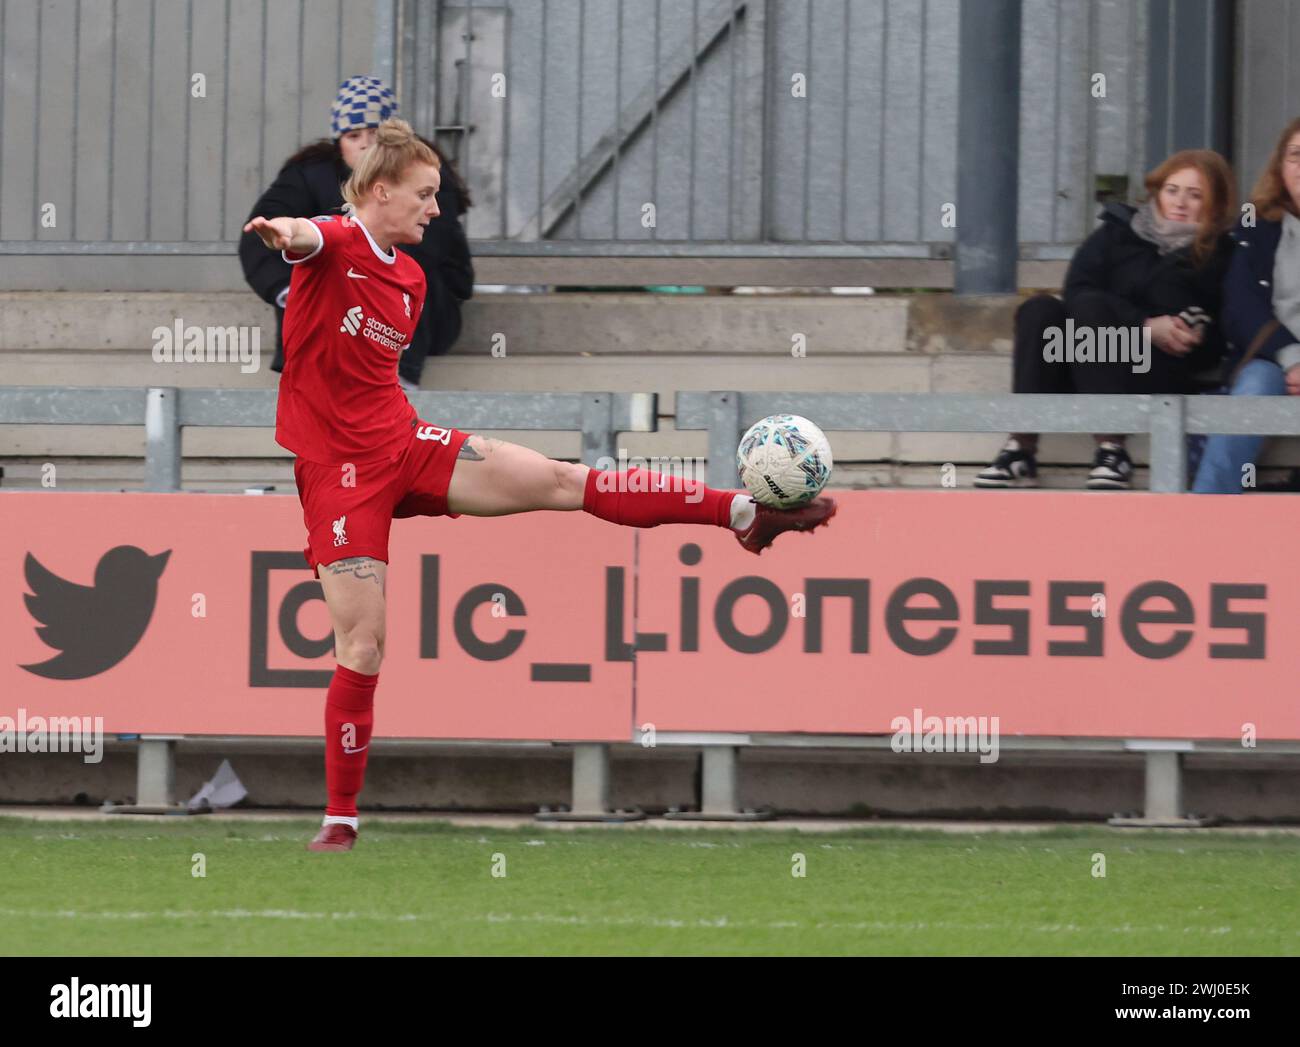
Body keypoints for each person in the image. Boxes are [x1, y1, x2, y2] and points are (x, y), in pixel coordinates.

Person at [243, 119, 837, 852]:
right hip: (338, 473)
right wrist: (285, 233)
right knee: (363, 645)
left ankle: (743, 512)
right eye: (425, 195)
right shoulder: (334, 241)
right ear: (381, 189)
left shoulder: (412, 275)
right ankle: (341, 818)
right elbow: (306, 237)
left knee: (562, 479)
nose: (436, 209)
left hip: (405, 443)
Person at [975, 150, 1237, 490]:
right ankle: (1020, 450)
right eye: (1172, 190)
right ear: (1157, 191)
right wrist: (1143, 326)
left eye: (1195, 194)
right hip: (1086, 356)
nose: (1181, 202)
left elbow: (1217, 331)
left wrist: (1192, 333)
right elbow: (1077, 290)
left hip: (1154, 370)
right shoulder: (1118, 232)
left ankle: (1112, 450)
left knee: (1093, 309)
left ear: (1215, 204)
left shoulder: (1221, 254)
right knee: (1041, 309)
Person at [239, 76, 473, 389]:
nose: (365, 143)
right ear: (339, 143)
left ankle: (397, 379)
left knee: (402, 250)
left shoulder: (424, 171)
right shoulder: (311, 174)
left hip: (423, 308)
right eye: (353, 135)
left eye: (375, 133)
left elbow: (430, 250)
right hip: (336, 305)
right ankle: (309, 378)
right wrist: (288, 289)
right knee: (310, 274)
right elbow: (266, 228)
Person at [1193, 117, 1300, 493]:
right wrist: (1292, 358)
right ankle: (1205, 516)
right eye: (1296, 155)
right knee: (1255, 385)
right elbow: (1241, 304)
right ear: (1280, 165)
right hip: (1273, 359)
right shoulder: (1255, 226)